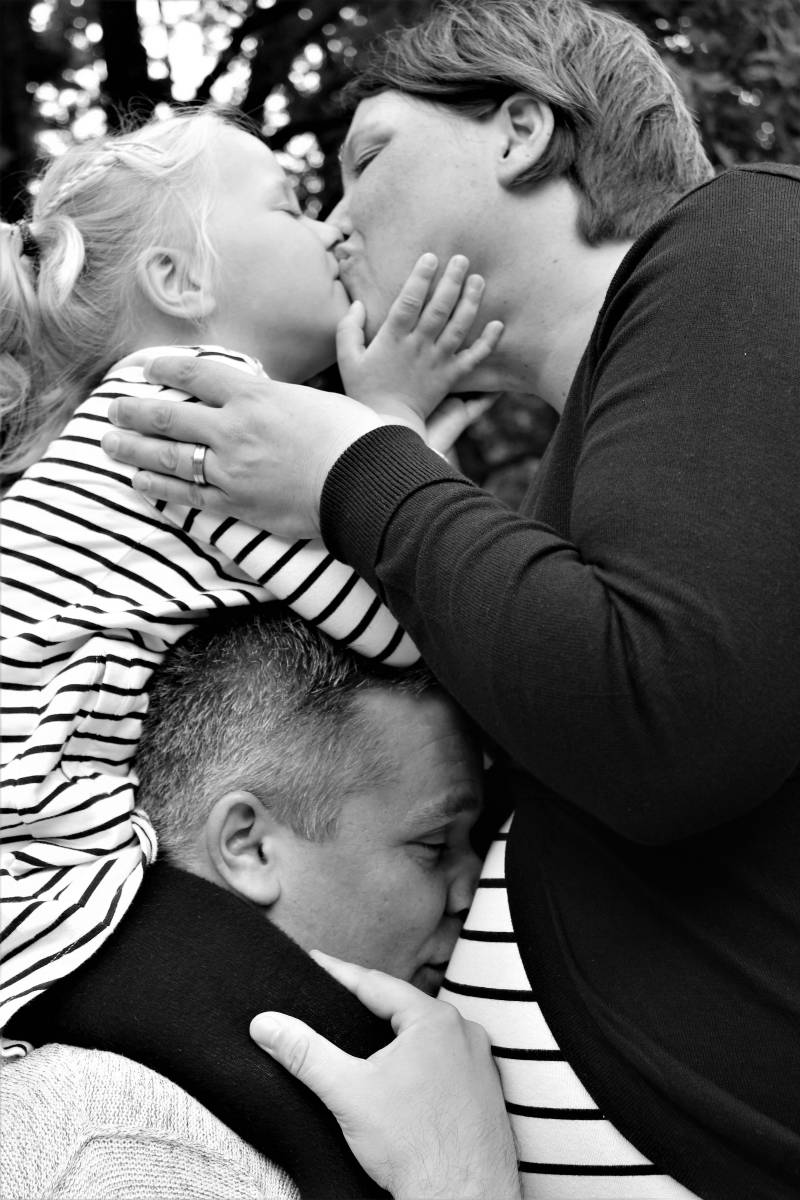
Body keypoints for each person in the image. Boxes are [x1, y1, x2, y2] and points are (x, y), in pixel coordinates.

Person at [99, 1, 800, 1198]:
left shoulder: (747, 236)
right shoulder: (583, 486)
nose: (334, 227)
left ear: (521, 129)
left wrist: (354, 471)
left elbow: (664, 714)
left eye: (365, 158)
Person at [0, 104, 502, 1044]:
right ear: (179, 280)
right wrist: (393, 420)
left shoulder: (135, 419)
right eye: (290, 207)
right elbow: (413, 627)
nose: (331, 232)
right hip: (43, 890)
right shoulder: (195, 411)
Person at [6, 603, 516, 1199]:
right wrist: (459, 1175)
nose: (472, 889)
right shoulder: (115, 1148)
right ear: (249, 846)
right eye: (434, 844)